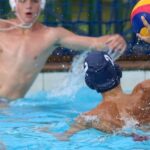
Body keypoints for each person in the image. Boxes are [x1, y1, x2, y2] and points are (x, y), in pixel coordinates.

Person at [0, 0, 126, 102]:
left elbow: (95, 43)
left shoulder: (50, 35)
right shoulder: (2, 28)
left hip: (11, 107)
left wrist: (115, 41)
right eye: (23, 1)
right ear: (14, 5)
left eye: (34, 1)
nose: (29, 6)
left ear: (41, 5)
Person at [49, 51, 149, 141]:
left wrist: (45, 130)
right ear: (117, 70)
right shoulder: (145, 91)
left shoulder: (90, 117)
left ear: (90, 83)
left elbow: (62, 137)